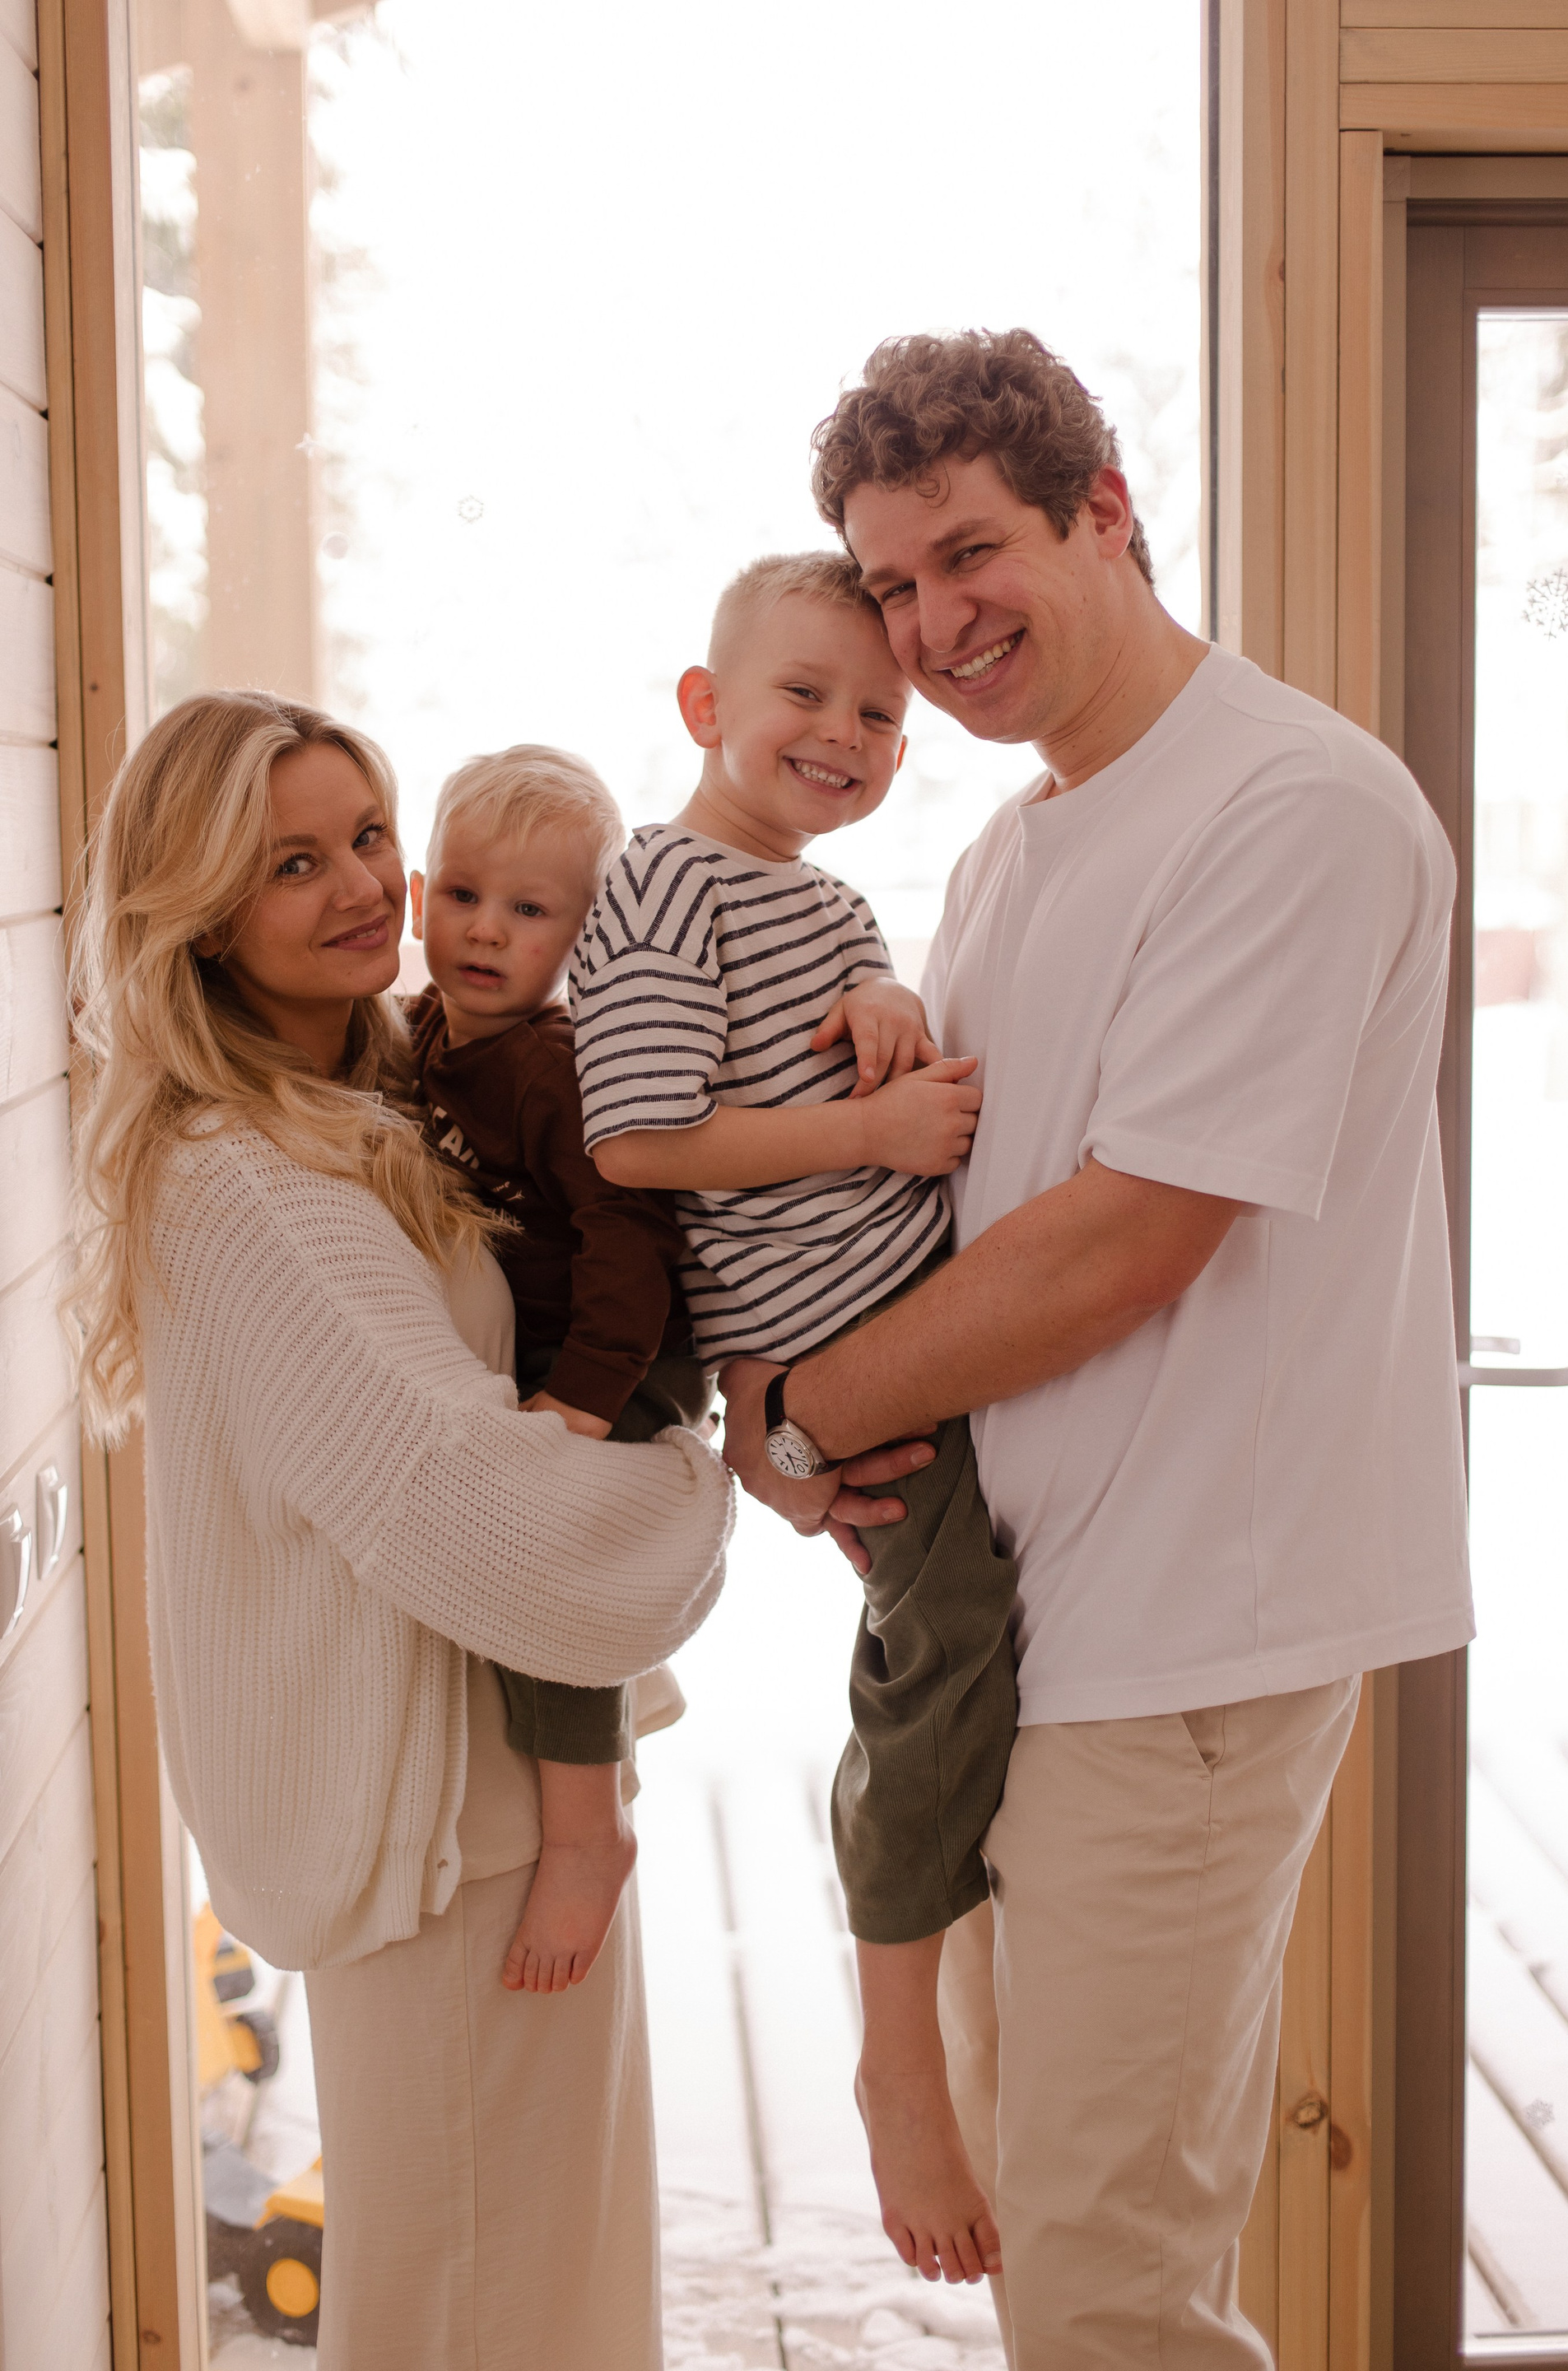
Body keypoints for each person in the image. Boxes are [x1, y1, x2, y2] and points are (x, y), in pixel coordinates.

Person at [722, 330, 1473, 2368]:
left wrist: (796, 1423)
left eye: (970, 553)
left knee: (1110, 2283)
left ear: (1107, 514)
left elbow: (1128, 1239)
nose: (930, 625)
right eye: (891, 585)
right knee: (1048, 2238)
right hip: (1030, 1622)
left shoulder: (1291, 805)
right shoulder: (1013, 849)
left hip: (1189, 1635)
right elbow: (947, 1214)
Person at [67, 691, 733, 2371]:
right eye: (294, 862)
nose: (367, 885)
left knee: (551, 2290)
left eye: (368, 835)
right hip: (445, 1833)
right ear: (198, 914)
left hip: (496, 1794)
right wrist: (716, 1479)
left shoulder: (386, 1093)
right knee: (481, 2314)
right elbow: (489, 1522)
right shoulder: (248, 1180)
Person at [572, 550, 1014, 2286]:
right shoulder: (664, 883)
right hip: (836, 1346)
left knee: (969, 1643)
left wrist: (890, 1002)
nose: (845, 734)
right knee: (940, 1655)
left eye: (881, 714)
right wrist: (870, 1137)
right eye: (805, 697)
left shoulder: (817, 897)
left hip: (915, 1309)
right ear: (706, 707)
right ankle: (898, 2055)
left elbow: (846, 1017)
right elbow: (639, 1140)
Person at [407, 741, 710, 1996]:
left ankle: (588, 1830)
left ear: (585, 942)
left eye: (529, 911)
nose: (486, 930)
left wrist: (585, 1400)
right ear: (419, 897)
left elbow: (633, 1241)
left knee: (549, 1553)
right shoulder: (420, 1036)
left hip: (620, 1350)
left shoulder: (554, 1067)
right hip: (537, 1345)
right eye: (463, 895)